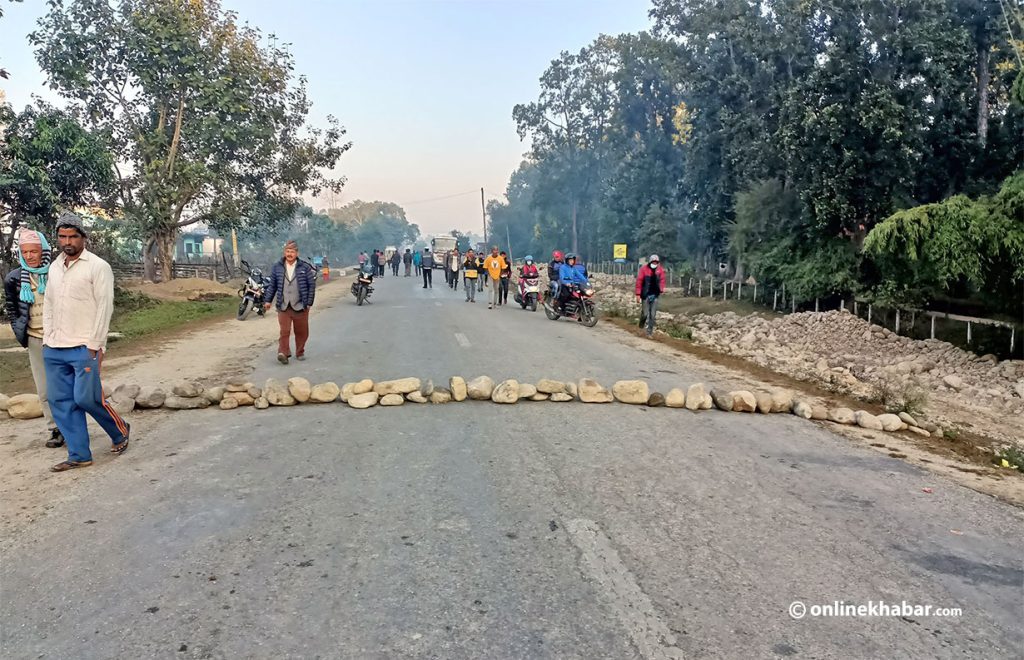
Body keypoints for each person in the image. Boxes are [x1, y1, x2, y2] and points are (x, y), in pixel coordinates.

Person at [42, 212, 130, 472]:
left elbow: (105, 307)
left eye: (72, 236)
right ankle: (79, 454)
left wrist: (96, 344)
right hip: (55, 346)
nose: (67, 241)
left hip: (84, 345)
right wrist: (47, 338)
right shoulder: (55, 266)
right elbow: (49, 303)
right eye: (62, 236)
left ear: (83, 237)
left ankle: (120, 429)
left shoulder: (97, 266)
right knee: (61, 402)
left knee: (86, 398)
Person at [3, 228, 63, 448]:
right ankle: (55, 429)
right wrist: (20, 330)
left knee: (65, 385)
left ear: (43, 251)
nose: (29, 256)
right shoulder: (14, 278)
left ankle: (72, 424)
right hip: (35, 338)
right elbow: (12, 308)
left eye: (34, 251)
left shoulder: (57, 273)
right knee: (44, 388)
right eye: (25, 252)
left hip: (60, 337)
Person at [263, 239, 317, 365]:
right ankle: (283, 352)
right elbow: (272, 286)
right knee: (284, 331)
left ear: (297, 253)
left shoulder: (305, 267)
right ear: (284, 252)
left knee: (302, 331)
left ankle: (300, 351)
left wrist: (309, 303)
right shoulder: (277, 267)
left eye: (292, 251)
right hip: (283, 305)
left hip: (300, 305)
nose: (289, 254)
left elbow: (311, 286)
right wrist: (268, 300)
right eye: (287, 251)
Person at [635, 254, 667, 337]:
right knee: (645, 314)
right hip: (645, 295)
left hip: (655, 295)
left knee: (652, 315)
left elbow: (662, 281)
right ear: (650, 262)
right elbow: (639, 282)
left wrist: (661, 288)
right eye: (653, 262)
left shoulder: (660, 270)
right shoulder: (643, 270)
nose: (655, 264)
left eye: (656, 262)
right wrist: (638, 294)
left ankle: (649, 332)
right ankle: (640, 327)